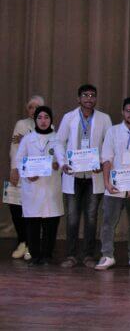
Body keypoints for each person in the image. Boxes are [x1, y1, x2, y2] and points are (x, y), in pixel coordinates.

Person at [55, 84, 112, 269]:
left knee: (91, 217)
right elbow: (58, 142)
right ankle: (71, 255)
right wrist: (62, 162)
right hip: (73, 175)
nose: (89, 98)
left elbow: (109, 144)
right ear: (78, 98)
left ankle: (88, 255)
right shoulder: (69, 117)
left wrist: (102, 163)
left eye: (92, 95)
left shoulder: (104, 118)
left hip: (94, 176)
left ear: (96, 99)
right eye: (85, 95)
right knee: (72, 218)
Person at [96, 98, 130, 271]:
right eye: (128, 111)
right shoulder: (112, 131)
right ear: (122, 112)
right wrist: (106, 182)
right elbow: (106, 158)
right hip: (114, 187)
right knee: (108, 223)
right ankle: (107, 255)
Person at [14, 106, 62, 266]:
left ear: (51, 119)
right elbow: (19, 160)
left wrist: (58, 165)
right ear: (35, 120)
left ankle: (47, 255)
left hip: (51, 186)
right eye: (40, 117)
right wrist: (27, 173)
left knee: (51, 223)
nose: (43, 121)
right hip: (32, 186)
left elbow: (62, 158)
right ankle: (34, 256)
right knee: (33, 223)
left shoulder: (57, 138)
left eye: (46, 117)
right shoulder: (28, 139)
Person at [7, 95, 44, 260]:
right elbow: (15, 148)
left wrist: (27, 140)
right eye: (30, 107)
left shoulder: (48, 125)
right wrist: (14, 170)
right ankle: (22, 241)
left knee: (33, 211)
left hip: (38, 175)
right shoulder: (21, 124)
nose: (33, 110)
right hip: (20, 172)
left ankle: (31, 244)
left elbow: (45, 149)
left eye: (37, 107)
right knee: (15, 207)